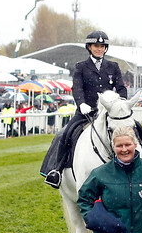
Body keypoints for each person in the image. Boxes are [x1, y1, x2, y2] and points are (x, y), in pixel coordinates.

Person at [40, 31, 130, 188]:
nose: (99, 49)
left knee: (137, 131)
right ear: (89, 47)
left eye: (102, 46)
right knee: (65, 134)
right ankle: (56, 170)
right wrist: (81, 103)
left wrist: (119, 103)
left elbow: (121, 88)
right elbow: (77, 89)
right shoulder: (81, 67)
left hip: (110, 113)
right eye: (96, 46)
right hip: (86, 112)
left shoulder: (113, 67)